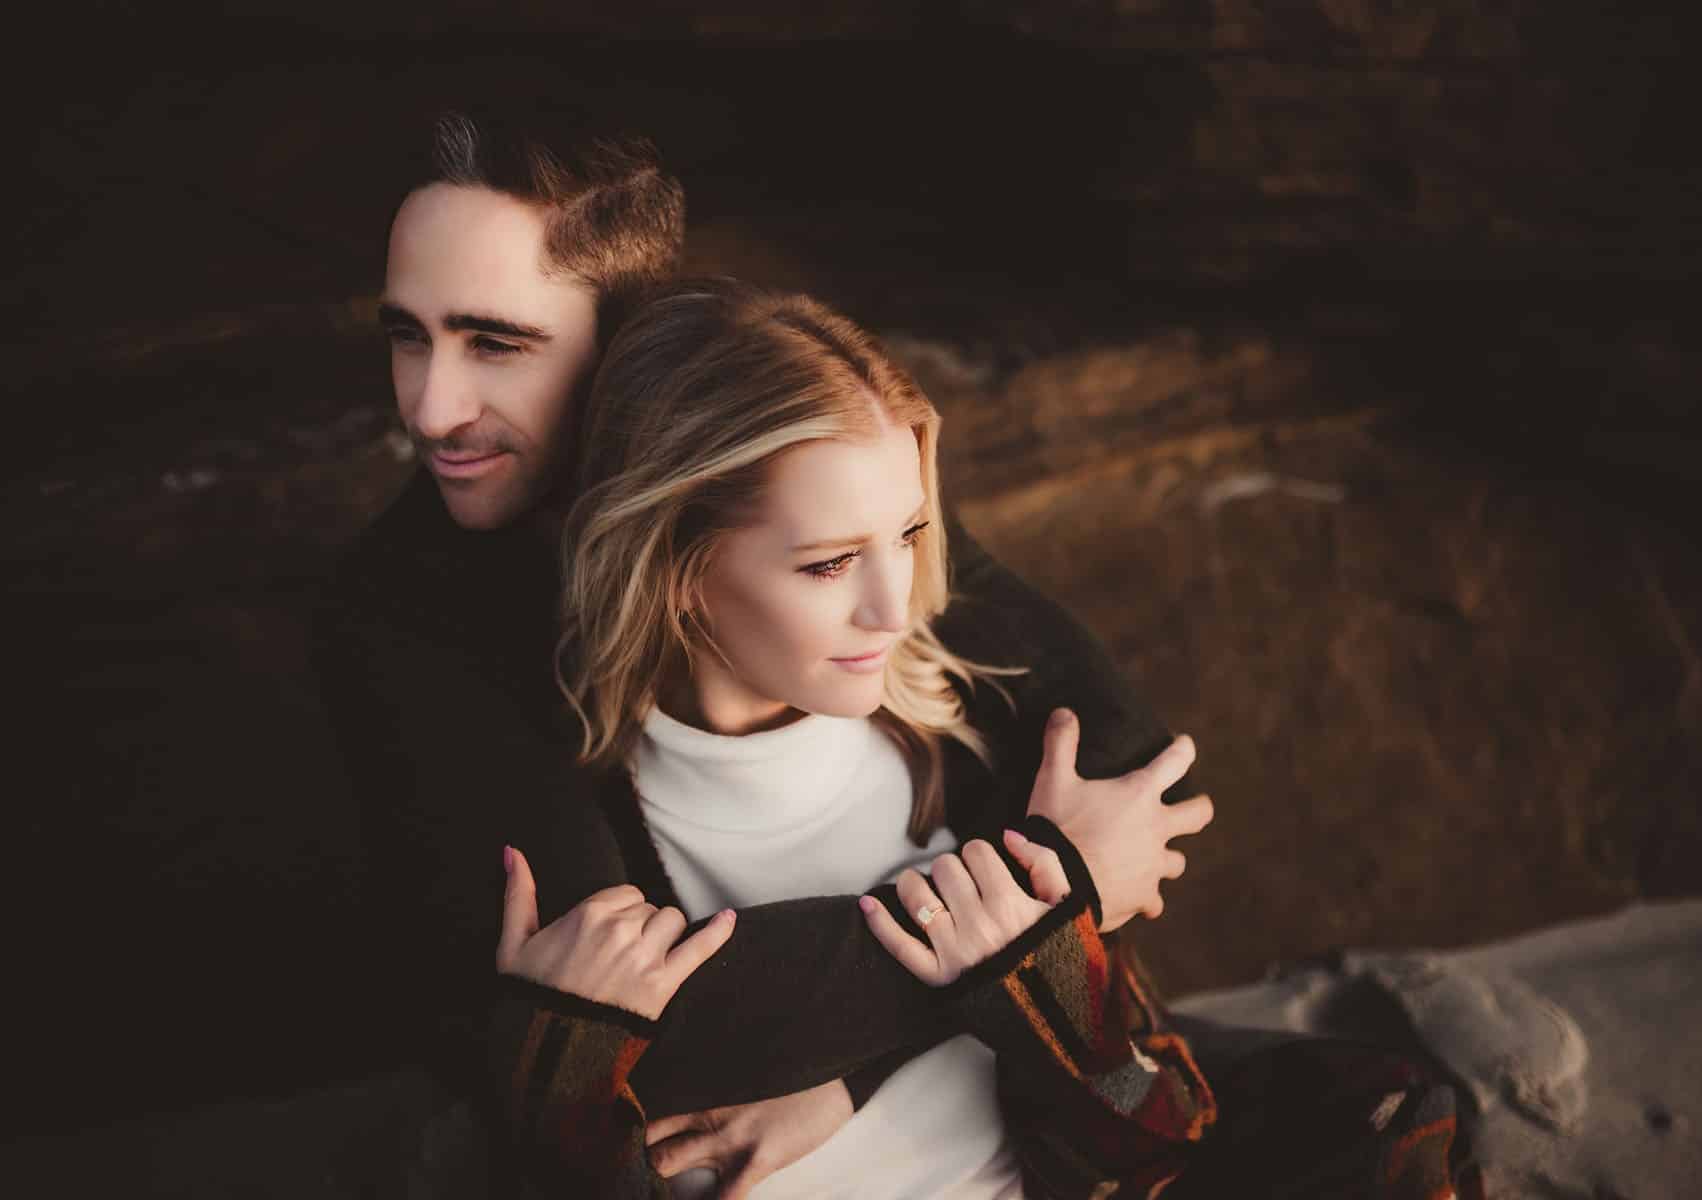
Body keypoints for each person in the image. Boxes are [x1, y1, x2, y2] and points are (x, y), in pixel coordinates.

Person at [312, 113, 1213, 1189]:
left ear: (632, 345)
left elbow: (1123, 764)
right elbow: (653, 1026)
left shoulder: (778, 439)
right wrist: (1055, 894)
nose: (429, 406)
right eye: (408, 335)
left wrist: (847, 1075)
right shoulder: (403, 615)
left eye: (494, 343)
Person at [491, 280, 1467, 1199]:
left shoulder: (955, 732)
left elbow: (1148, 1125)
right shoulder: (596, 826)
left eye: (911, 534)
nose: (897, 604)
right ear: (678, 569)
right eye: (831, 563)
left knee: (1395, 1114)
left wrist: (862, 1071)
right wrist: (570, 1051)